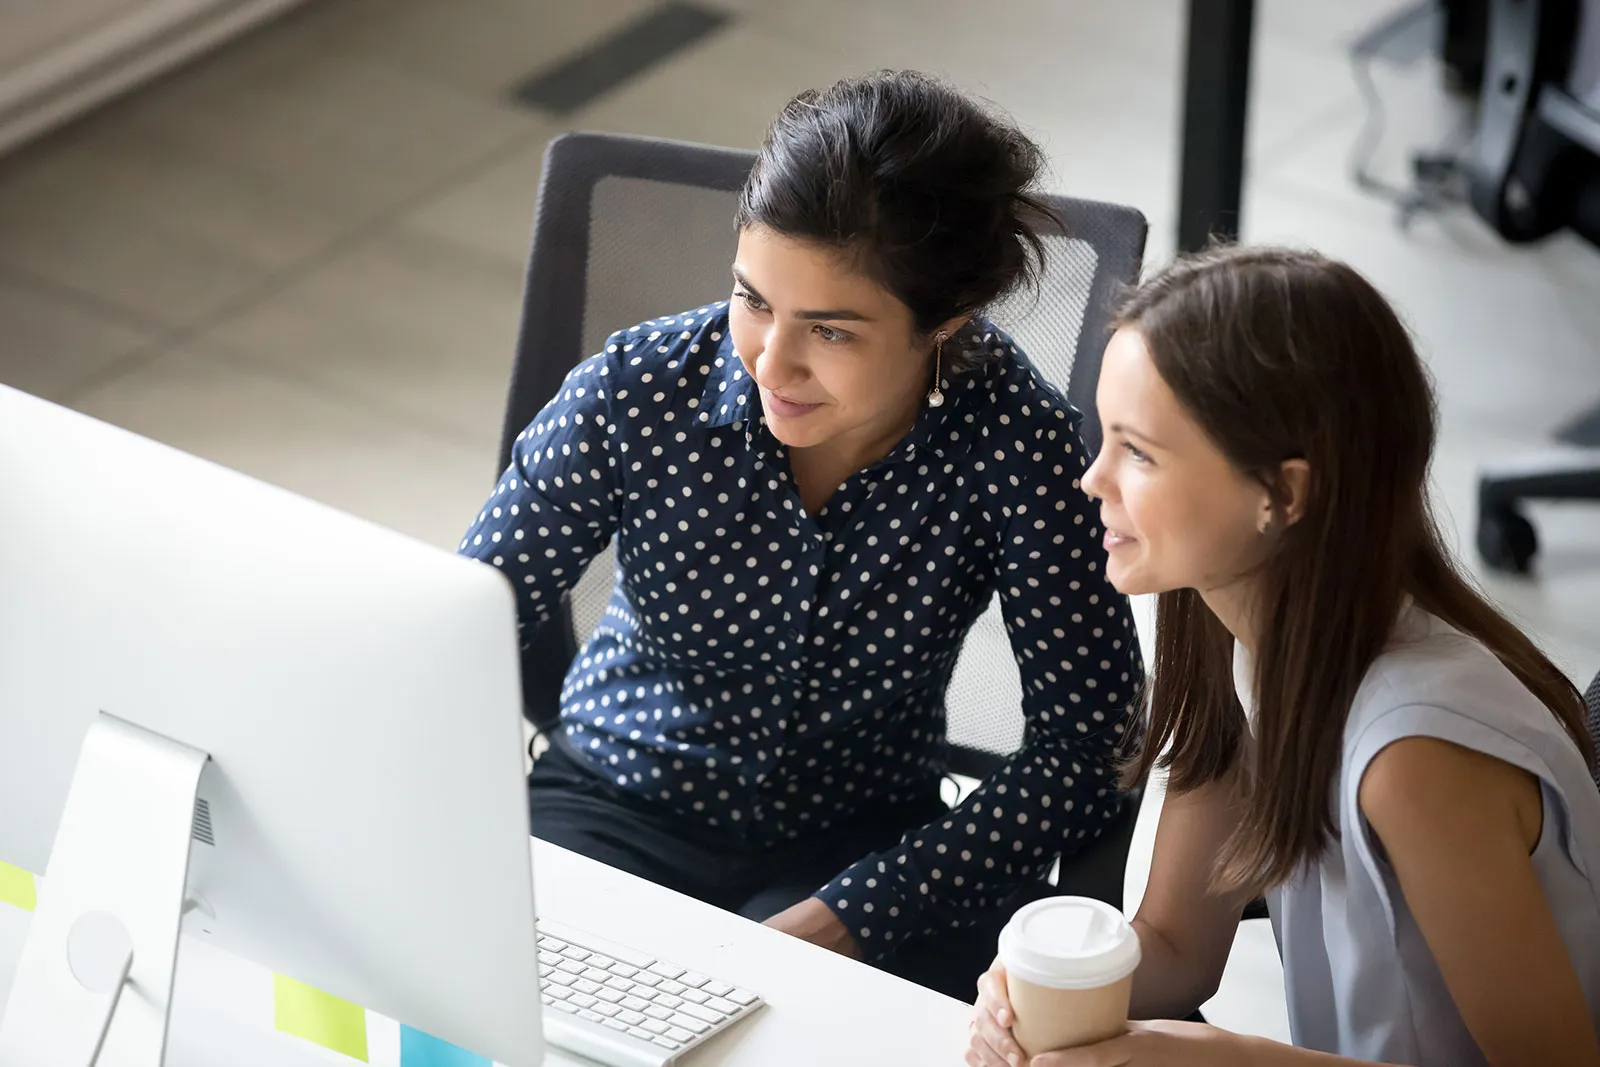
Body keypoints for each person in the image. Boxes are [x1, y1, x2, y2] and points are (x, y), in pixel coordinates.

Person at [458, 70, 1144, 998]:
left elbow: (1090, 744)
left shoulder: (1015, 442)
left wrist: (865, 907)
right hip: (614, 802)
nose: (770, 363)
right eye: (753, 300)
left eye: (831, 330)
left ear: (947, 321)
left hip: (862, 844)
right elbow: (459, 630)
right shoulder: (637, 390)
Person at [968, 245, 1600, 1065]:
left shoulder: (1417, 758)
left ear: (1283, 494)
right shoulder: (1238, 638)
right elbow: (1173, 943)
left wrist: (1229, 1057)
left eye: (1140, 453)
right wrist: (1033, 991)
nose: (1093, 479)